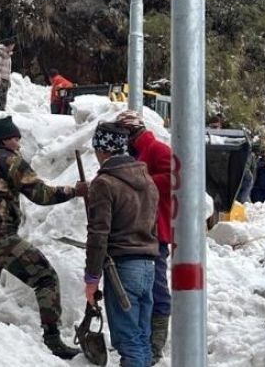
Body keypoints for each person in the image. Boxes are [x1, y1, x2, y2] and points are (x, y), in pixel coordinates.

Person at [0, 116, 86, 359]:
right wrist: (74, 191)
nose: (19, 144)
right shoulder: (10, 161)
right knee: (45, 277)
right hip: (0, 237)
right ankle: (53, 340)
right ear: (4, 140)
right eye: (15, 138)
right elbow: (41, 194)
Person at [85, 122, 158, 367]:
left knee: (128, 341)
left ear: (102, 150)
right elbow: (153, 227)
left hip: (122, 269)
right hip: (148, 265)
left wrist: (92, 278)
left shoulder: (104, 183)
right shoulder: (147, 181)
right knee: (142, 338)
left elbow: (98, 235)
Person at [115, 110, 172, 363]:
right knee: (137, 290)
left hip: (155, 230)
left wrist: (138, 180)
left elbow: (175, 180)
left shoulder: (158, 150)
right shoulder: (129, 154)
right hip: (134, 231)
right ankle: (139, 340)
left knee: (156, 287)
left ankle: (155, 344)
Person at [0, 38, 15, 110]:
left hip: (5, 78)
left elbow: (8, 69)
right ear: (9, 45)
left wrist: (8, 79)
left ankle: (2, 111)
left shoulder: (8, 55)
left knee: (4, 97)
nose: (13, 47)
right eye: (12, 45)